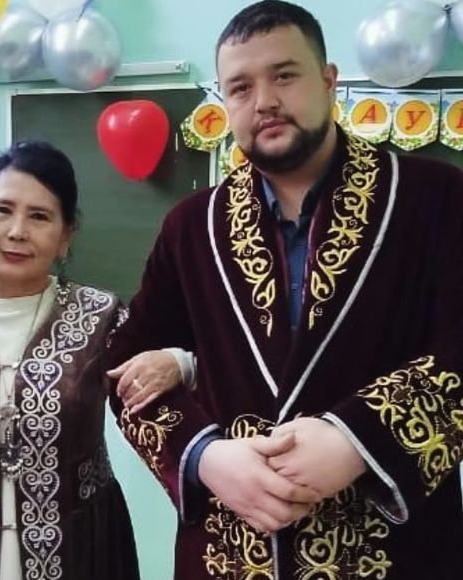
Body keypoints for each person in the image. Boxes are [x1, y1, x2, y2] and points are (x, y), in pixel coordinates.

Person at [106, 2, 463, 579]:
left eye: (284, 75)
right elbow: (125, 368)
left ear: (328, 80)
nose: (264, 101)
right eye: (240, 87)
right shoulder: (192, 226)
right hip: (230, 547)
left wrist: (358, 439)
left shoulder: (435, 199)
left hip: (394, 550)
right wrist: (204, 456)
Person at [0, 140, 162, 580]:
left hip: (82, 551)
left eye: (39, 216)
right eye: (2, 210)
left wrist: (180, 362)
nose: (17, 231)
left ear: (66, 235)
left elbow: (168, 388)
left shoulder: (101, 317)